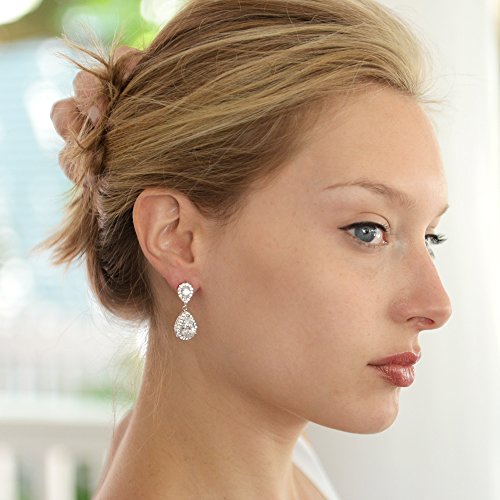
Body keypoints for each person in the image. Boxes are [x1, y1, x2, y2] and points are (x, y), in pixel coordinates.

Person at [44, 0, 453, 498]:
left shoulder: (276, 458)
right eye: (368, 230)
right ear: (176, 237)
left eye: (430, 237)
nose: (436, 305)